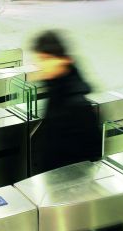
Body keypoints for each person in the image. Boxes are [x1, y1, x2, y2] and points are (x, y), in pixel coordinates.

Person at [32, 30, 102, 174]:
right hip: (52, 176)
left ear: (64, 60)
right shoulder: (56, 90)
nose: (41, 65)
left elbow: (92, 153)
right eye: (40, 59)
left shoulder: (77, 105)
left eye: (46, 59)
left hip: (67, 183)